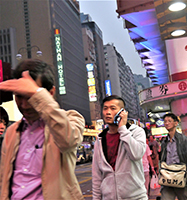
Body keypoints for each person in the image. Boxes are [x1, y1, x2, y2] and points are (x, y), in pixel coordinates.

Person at [0, 59, 85, 199]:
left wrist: (37, 94)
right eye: (19, 96)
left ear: (50, 92)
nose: (24, 104)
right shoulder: (11, 132)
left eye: (30, 96)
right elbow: (4, 179)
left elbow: (68, 140)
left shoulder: (71, 119)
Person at [92, 95, 147, 199]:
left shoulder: (136, 132)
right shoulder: (100, 139)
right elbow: (97, 175)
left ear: (122, 112)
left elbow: (137, 154)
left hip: (135, 197)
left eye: (113, 108)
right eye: (105, 108)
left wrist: (122, 128)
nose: (108, 112)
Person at [160, 113, 187, 200]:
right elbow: (162, 159)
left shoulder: (184, 140)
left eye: (169, 121)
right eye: (165, 121)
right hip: (167, 179)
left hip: (181, 178)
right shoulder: (164, 142)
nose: (167, 123)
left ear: (176, 123)